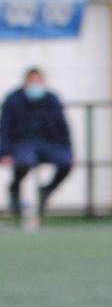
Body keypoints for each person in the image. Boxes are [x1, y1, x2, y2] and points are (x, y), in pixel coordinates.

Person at [1, 67, 73, 223]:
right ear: (25, 82)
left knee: (65, 162)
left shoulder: (52, 99)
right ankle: (15, 188)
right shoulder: (13, 99)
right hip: (23, 143)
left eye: (38, 81)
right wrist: (4, 152)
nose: (35, 85)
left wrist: (69, 150)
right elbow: (4, 127)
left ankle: (46, 190)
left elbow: (63, 127)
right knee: (25, 161)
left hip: (48, 143)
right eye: (31, 81)